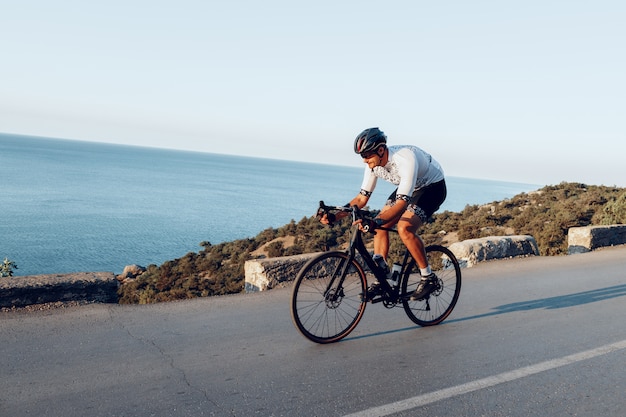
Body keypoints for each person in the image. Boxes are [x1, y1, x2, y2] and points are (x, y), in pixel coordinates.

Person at [320, 127, 447, 301]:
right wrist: (335, 215)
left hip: (432, 188)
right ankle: (382, 279)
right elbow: (361, 198)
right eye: (362, 156)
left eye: (367, 155)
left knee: (404, 228)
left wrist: (376, 221)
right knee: (381, 226)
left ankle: (428, 277)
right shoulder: (373, 165)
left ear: (381, 150)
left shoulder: (404, 159)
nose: (365, 161)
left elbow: (402, 203)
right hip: (411, 189)